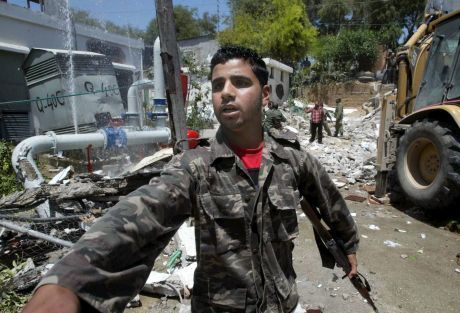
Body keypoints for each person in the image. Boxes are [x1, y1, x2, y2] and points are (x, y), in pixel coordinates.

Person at [22, 46, 359, 313]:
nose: (226, 92)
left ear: (266, 93)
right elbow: (139, 213)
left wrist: (349, 248)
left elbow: (331, 203)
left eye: (240, 83)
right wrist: (67, 279)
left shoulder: (293, 160)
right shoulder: (196, 167)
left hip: (281, 304)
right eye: (217, 85)